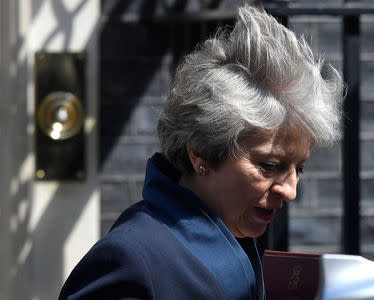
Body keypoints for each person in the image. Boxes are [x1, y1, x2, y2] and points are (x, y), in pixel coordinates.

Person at [59, 4, 343, 299]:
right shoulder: (130, 260)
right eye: (269, 166)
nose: (290, 191)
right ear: (201, 154)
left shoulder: (237, 240)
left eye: (299, 169)